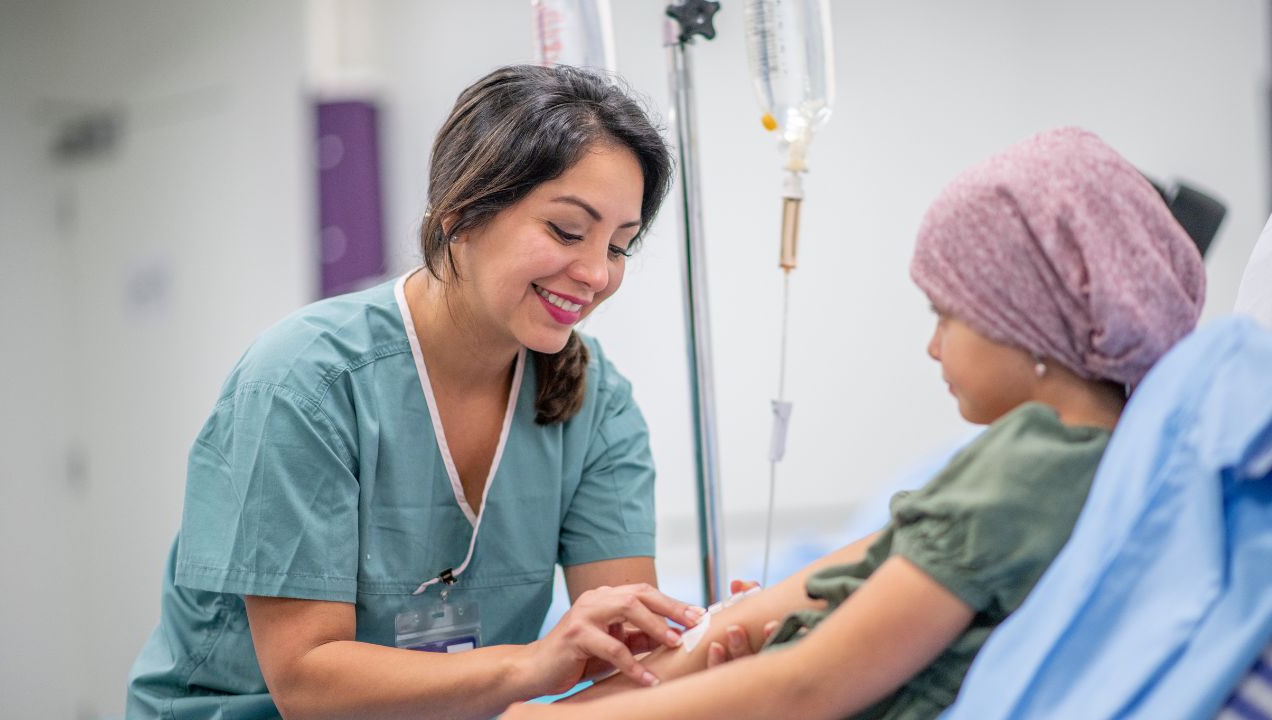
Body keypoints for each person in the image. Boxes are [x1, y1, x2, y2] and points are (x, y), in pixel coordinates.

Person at [503, 126, 1207, 720]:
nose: (933, 346)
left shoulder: (1036, 463)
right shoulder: (1116, 457)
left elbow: (808, 683)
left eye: (947, 314)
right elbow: (778, 605)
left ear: (1028, 317)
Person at [126, 64, 705, 720]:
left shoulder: (593, 404)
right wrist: (528, 666)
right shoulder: (306, 384)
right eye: (567, 231)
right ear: (462, 212)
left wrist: (735, 639)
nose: (597, 273)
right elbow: (307, 682)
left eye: (621, 246)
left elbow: (628, 648)